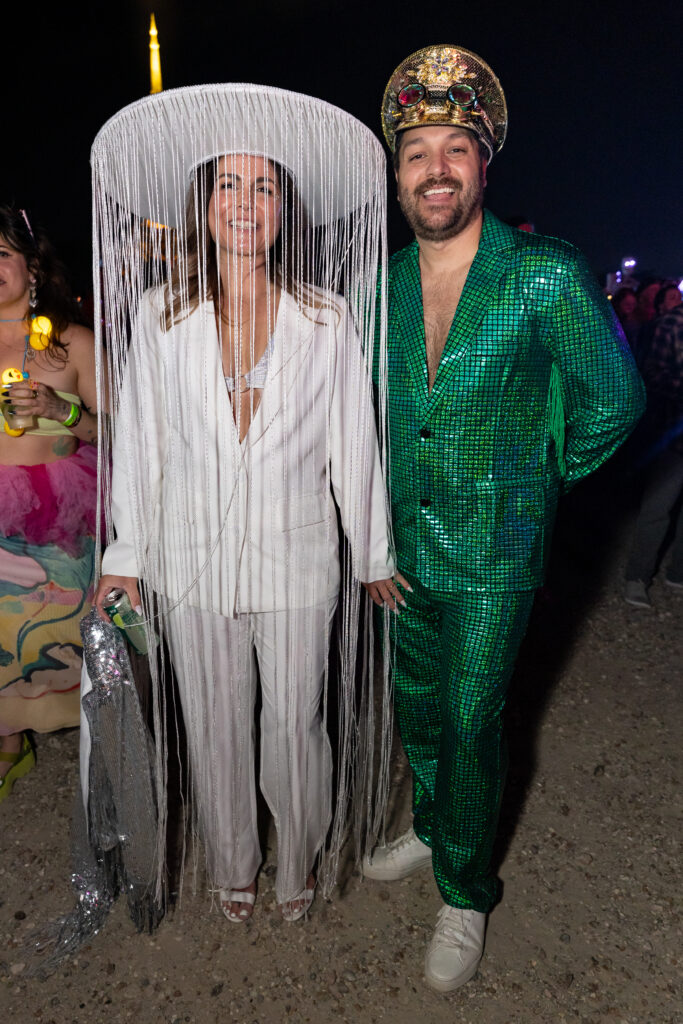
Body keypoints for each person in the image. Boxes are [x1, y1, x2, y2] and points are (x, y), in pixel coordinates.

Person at [363, 45, 645, 992]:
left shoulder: (543, 274)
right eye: (415, 153)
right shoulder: (385, 285)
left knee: (476, 716)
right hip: (402, 551)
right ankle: (438, 829)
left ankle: (467, 889)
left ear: (484, 165)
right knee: (419, 713)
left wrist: (533, 489)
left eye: (454, 148)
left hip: (496, 556)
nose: (434, 168)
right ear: (397, 174)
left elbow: (615, 399)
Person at [90, 86, 401, 925]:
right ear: (203, 202)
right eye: (228, 184)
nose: (244, 202)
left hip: (298, 558)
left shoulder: (325, 318)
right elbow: (144, 450)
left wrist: (371, 554)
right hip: (188, 561)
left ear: (282, 209)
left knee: (295, 725)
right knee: (214, 725)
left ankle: (296, 862)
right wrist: (124, 558)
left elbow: (353, 445)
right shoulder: (160, 316)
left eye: (263, 187)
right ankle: (235, 862)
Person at [0, 205, 99, 801]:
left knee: (46, 630)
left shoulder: (72, 343)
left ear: (32, 268)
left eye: (1, 255)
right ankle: (8, 745)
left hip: (56, 509)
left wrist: (58, 411)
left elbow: (118, 428)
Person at [624, 298, 683, 607]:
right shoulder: (673, 323)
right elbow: (653, 374)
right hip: (672, 434)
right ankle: (637, 576)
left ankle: (678, 572)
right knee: (657, 509)